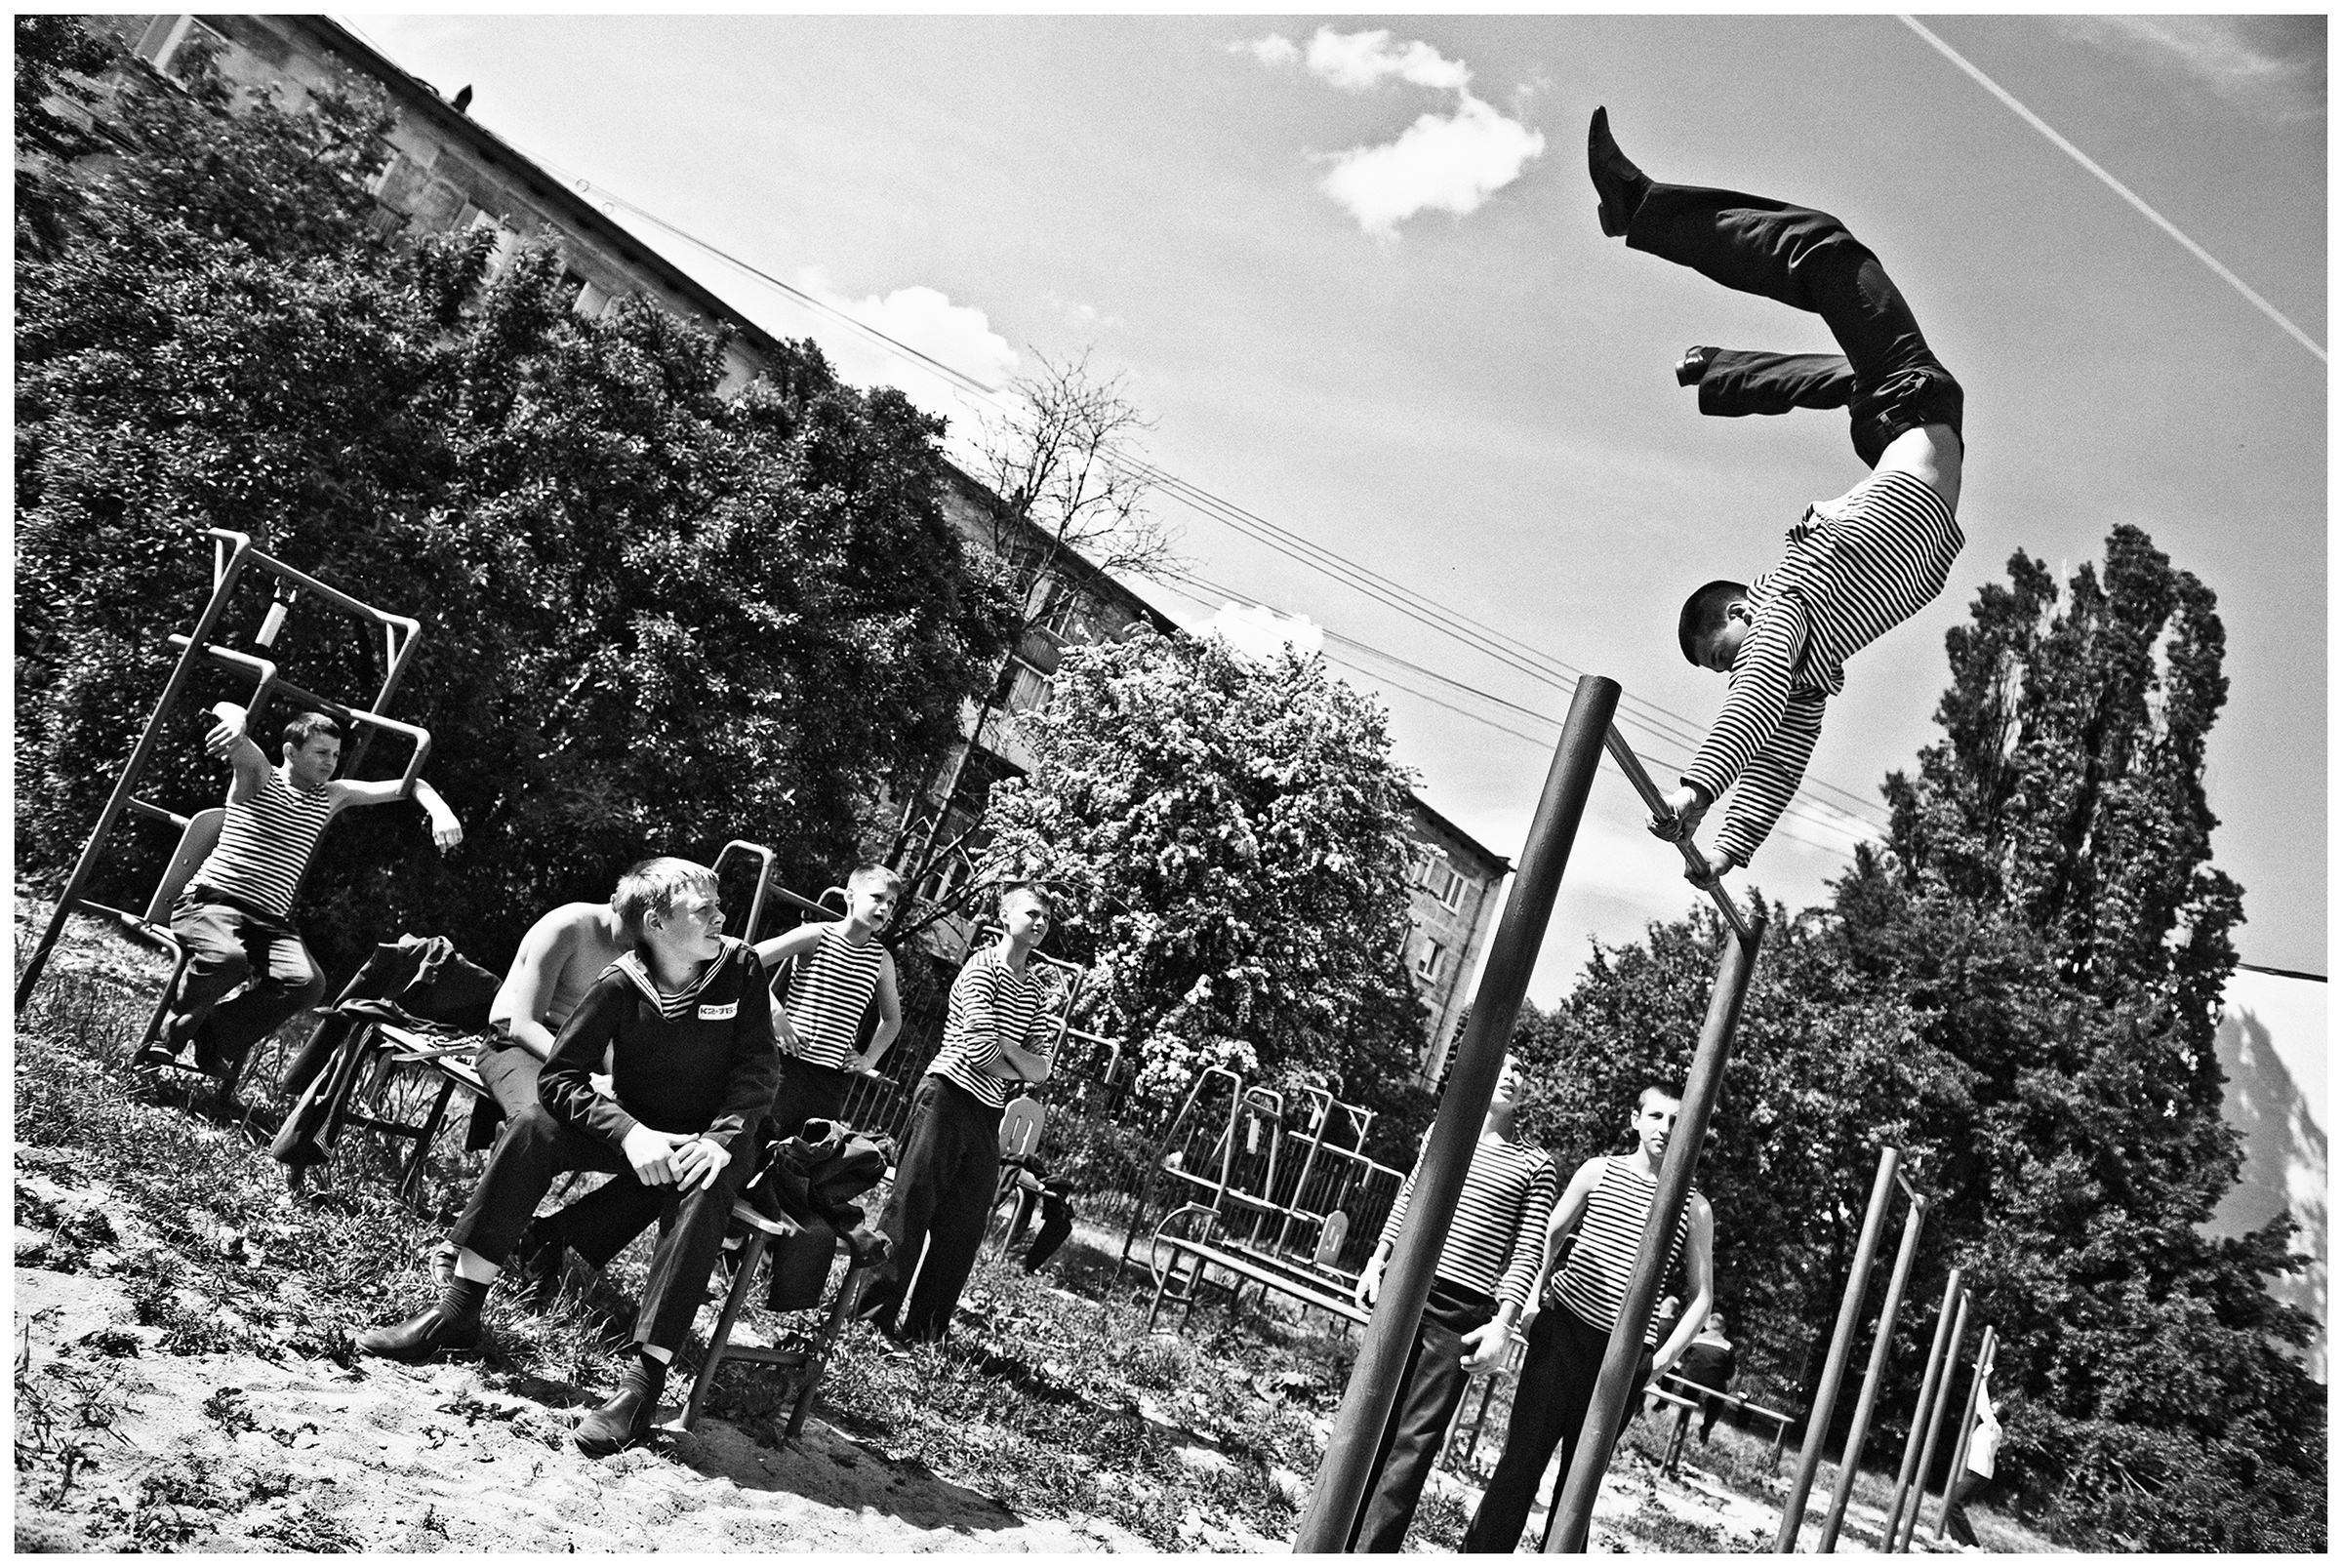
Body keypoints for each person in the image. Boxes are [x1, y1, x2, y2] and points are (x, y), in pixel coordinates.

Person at [1586, 108, 1966, 883]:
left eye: (1720, 653)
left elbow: (1758, 709)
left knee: (1842, 333)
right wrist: (1718, 829)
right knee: (1825, 249)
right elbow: (1773, 752)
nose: (1732, 668)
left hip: (1906, 452)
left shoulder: (1781, 609)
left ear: (1738, 610)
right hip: (1907, 437)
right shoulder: (1799, 668)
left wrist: (1710, 816)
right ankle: (1672, 272)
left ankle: (1711, 348)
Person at [355, 858, 779, 1457]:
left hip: (715, 1135)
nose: (722, 916)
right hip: (636, 1123)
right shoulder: (619, 983)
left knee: (705, 1184)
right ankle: (457, 1312)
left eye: (718, 906)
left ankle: (640, 1385)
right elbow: (560, 1079)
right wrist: (631, 1134)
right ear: (656, 923)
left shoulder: (740, 968)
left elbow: (758, 1069)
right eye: (703, 910)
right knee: (534, 1125)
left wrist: (721, 1139)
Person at [142, 704, 463, 1079]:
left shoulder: (331, 795)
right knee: (229, 960)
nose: (330, 763)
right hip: (213, 904)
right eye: (321, 753)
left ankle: (215, 1033)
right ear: (291, 752)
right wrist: (235, 720)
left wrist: (440, 811)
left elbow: (410, 785)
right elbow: (236, 731)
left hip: (270, 921)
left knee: (308, 985)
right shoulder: (260, 776)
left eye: (336, 755)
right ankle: (171, 1034)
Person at [1462, 1085, 1716, 1553]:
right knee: (1519, 1465)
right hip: (1563, 1334)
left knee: (1577, 1488)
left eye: (1678, 1121)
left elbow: (1702, 1298)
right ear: (1635, 1120)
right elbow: (1547, 1236)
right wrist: (1533, 1306)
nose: (1666, 1129)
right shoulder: (1599, 1171)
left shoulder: (1694, 1205)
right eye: (1656, 1116)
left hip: (1621, 1359)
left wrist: (1656, 1363)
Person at [1349, 1054, 1556, 1552]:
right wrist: (1378, 1260)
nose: (1509, 1074)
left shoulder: (1536, 1162)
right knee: (1365, 1417)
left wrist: (1502, 1324)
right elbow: (1408, 1195)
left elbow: (1529, 1247)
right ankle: (1332, 1535)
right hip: (1404, 1286)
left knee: (1414, 1441)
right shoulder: (1443, 1131)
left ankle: (1369, 1553)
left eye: (1521, 1070)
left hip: (1459, 1310)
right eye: (1500, 1063)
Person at [857, 882, 1057, 1344]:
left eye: (1046, 917)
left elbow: (1042, 1068)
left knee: (965, 1226)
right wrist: (1013, 1054)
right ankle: (871, 1321)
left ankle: (925, 1331)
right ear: (1006, 917)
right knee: (911, 1208)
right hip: (946, 1097)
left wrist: (1013, 1055)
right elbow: (979, 1050)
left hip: (989, 1110)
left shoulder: (1037, 990)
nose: (1040, 923)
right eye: (1031, 913)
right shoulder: (980, 969)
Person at [754, 864, 905, 1130]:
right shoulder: (817, 935)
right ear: (850, 896)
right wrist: (775, 1012)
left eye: (891, 903)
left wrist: (869, 1059)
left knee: (809, 1157)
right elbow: (749, 960)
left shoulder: (882, 960)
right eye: (877, 898)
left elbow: (892, 1019)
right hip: (787, 1065)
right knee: (759, 1141)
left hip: (829, 1078)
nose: (884, 908)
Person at [1944, 1375, 2000, 1548]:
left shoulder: (1994, 1427)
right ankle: (1960, 1541)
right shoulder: (1988, 1426)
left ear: (1995, 1415)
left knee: (1953, 1503)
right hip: (1976, 1472)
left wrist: (1983, 1380)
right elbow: (1980, 1407)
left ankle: (1972, 1545)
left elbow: (1983, 1407)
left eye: (1992, 1409)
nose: (1989, 1410)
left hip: (1979, 1474)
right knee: (1952, 1503)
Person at [1674, 1310, 1739, 1443]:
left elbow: (1683, 1357)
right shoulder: (1727, 1346)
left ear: (1707, 1325)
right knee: (1718, 1398)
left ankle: (1681, 1422)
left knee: (1690, 1389)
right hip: (1714, 1382)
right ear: (1723, 1330)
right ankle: (1706, 1427)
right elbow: (1729, 1373)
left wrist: (1684, 1369)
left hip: (1692, 1377)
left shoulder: (1696, 1338)